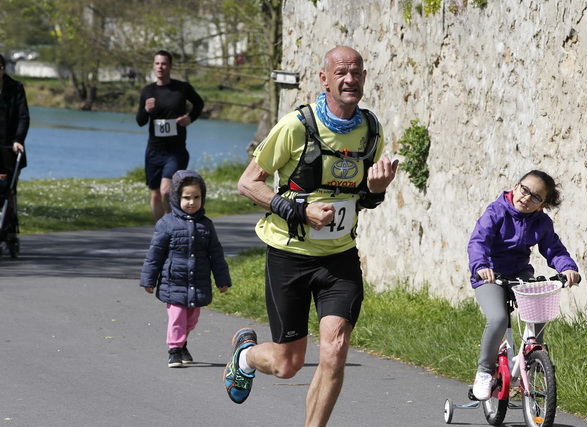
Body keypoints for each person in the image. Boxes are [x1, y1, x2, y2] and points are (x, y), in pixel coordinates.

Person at [224, 46, 399, 426]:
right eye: (340, 73)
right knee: (288, 364)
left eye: (356, 73)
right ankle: (245, 356)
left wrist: (378, 190)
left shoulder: (371, 131)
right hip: (289, 255)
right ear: (325, 79)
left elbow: (362, 199)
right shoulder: (295, 126)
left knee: (335, 349)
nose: (349, 79)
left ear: (364, 78)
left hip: (339, 257)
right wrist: (299, 210)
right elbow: (247, 184)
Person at [467, 170, 580, 400]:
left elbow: (553, 249)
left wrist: (567, 268)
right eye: (524, 190)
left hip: (519, 274)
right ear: (516, 187)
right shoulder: (496, 212)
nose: (527, 198)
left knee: (538, 311)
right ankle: (485, 372)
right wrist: (481, 266)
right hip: (490, 275)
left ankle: (532, 363)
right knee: (498, 318)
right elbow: (479, 241)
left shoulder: (542, 222)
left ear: (542, 205)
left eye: (536, 197)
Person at [140, 170, 232, 368]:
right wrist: (148, 279)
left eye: (196, 197)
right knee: (177, 317)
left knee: (191, 320)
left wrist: (222, 279)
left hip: (198, 281)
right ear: (176, 198)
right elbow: (155, 254)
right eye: (187, 198)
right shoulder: (166, 223)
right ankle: (174, 350)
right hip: (174, 281)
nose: (192, 202)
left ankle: (182, 344)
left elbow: (215, 254)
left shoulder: (206, 225)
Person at [136, 50, 204, 221]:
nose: (160, 67)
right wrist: (146, 110)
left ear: (170, 66)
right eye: (157, 63)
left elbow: (199, 103)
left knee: (166, 190)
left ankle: (171, 227)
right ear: (153, 66)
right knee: (156, 195)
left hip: (176, 151)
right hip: (154, 151)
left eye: (164, 63)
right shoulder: (148, 91)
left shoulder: (182, 88)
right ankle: (160, 231)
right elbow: (140, 121)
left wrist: (190, 118)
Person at [0, 54, 29, 247]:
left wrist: (18, 139)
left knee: (6, 191)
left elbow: (23, 117)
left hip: (9, 148)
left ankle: (7, 229)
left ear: (2, 69)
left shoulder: (16, 88)